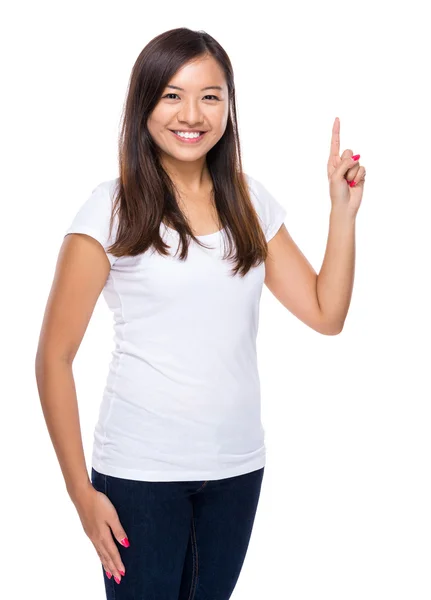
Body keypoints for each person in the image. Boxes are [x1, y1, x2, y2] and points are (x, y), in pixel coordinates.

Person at [35, 27, 365, 600]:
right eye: (171, 94)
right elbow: (53, 360)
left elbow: (325, 312)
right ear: (143, 105)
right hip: (140, 476)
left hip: (237, 469)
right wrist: (80, 495)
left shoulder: (249, 200)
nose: (192, 114)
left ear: (229, 107)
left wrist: (342, 211)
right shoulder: (109, 210)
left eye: (210, 96)